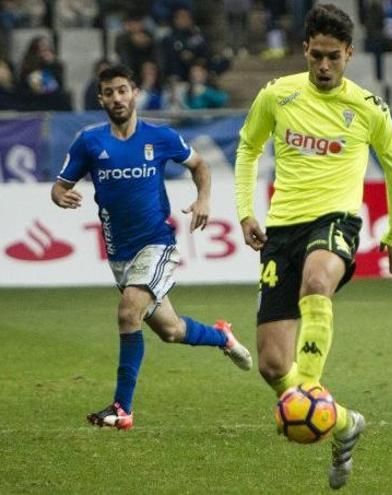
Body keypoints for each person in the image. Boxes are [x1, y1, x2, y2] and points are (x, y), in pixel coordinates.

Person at [234, 4, 392, 490]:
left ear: (349, 54)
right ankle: (343, 421)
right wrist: (245, 210)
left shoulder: (368, 108)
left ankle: (309, 391)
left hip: (336, 220)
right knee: (271, 364)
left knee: (318, 281)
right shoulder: (278, 95)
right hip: (281, 229)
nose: (325, 66)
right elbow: (248, 148)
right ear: (305, 50)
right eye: (317, 56)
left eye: (334, 57)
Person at [50, 64, 253, 431]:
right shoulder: (89, 142)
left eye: (123, 90)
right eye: (109, 92)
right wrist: (60, 195)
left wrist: (204, 199)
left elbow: (201, 166)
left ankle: (121, 408)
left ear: (135, 93)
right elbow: (60, 185)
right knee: (171, 330)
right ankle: (222, 335)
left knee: (129, 313)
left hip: (157, 244)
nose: (117, 98)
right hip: (119, 253)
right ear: (101, 98)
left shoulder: (160, 137)